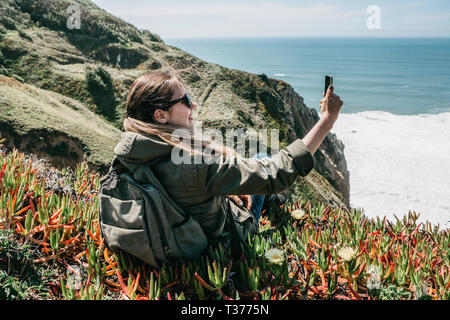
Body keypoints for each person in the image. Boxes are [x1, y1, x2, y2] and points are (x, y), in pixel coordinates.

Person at [113, 70, 343, 246]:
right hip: (220, 243)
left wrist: (218, 187)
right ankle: (273, 205)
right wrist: (326, 121)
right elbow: (277, 173)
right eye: (185, 100)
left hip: (170, 235)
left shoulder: (127, 152)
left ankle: (271, 201)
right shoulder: (193, 162)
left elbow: (180, 190)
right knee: (263, 158)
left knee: (248, 178)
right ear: (160, 115)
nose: (194, 104)